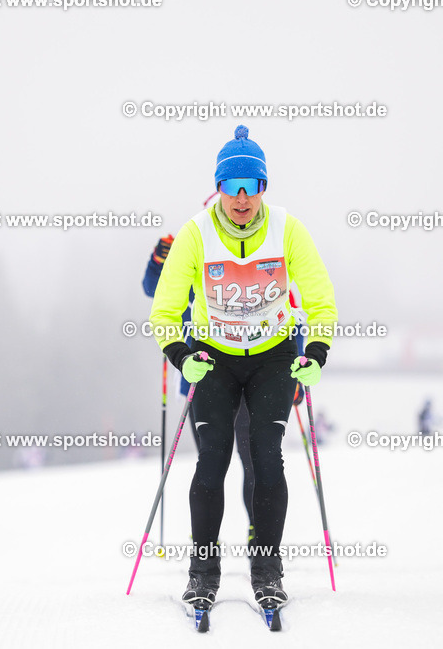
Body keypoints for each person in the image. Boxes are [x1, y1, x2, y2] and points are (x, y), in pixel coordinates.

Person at [150, 125, 338, 610]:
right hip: (214, 357)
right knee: (212, 458)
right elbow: (164, 310)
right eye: (231, 187)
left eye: (250, 187)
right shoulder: (194, 234)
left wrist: (315, 353)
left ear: (262, 189)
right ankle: (202, 573)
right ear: (218, 188)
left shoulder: (288, 230)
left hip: (274, 356)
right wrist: (181, 356)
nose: (240, 199)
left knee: (266, 454)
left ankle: (267, 569)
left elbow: (320, 300)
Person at [143, 228, 258, 548]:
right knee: (210, 463)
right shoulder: (192, 255)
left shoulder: (242, 261)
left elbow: (290, 312)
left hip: (248, 377)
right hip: (201, 382)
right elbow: (153, 288)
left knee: (254, 463)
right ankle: (206, 541)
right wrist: (159, 259)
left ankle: (258, 533)